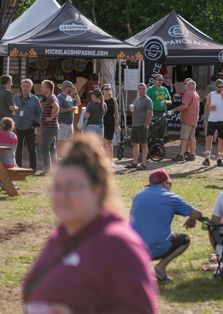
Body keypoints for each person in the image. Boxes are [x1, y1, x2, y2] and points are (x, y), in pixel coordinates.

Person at [22, 134, 157, 313]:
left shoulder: (119, 244)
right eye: (58, 188)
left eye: (72, 187)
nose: (62, 196)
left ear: (97, 192)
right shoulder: (60, 237)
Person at [130, 169, 203, 281]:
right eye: (170, 184)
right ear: (165, 183)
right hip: (154, 249)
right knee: (185, 239)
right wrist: (192, 218)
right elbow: (198, 214)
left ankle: (139, 267)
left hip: (132, 250)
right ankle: (161, 266)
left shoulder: (137, 196)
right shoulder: (170, 197)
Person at [14, 79, 41, 172]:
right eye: (24, 86)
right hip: (18, 127)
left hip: (30, 127)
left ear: (31, 88)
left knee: (32, 149)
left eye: (27, 86)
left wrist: (35, 124)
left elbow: (39, 113)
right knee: (18, 149)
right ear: (21, 86)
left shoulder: (35, 99)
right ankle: (18, 168)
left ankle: (33, 169)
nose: (25, 88)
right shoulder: (15, 98)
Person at [204, 79, 223, 167]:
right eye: (219, 87)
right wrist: (210, 108)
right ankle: (207, 158)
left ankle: (219, 158)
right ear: (215, 87)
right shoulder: (210, 95)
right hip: (212, 119)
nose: (221, 88)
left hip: (222, 120)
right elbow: (206, 107)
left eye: (222, 87)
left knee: (221, 139)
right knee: (209, 138)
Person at [126, 83, 153, 170]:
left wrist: (145, 124)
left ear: (146, 90)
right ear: (138, 90)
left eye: (143, 89)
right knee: (134, 144)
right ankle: (134, 162)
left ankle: (144, 164)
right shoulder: (136, 99)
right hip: (135, 125)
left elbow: (150, 114)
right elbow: (133, 110)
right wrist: (130, 109)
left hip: (142, 126)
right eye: (140, 88)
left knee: (144, 144)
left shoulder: (148, 100)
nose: (142, 90)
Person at [172, 80, 200, 162]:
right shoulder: (196, 94)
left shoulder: (188, 93)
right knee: (192, 137)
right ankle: (192, 154)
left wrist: (175, 110)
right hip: (194, 119)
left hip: (187, 119)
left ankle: (181, 155)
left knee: (184, 137)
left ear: (189, 86)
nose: (185, 86)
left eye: (186, 85)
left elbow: (184, 106)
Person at [56, 81, 81, 157]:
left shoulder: (69, 97)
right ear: (67, 88)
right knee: (61, 142)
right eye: (71, 88)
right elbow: (58, 109)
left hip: (70, 124)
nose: (72, 89)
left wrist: (76, 93)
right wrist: (69, 109)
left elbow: (78, 103)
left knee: (69, 143)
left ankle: (65, 158)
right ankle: (56, 159)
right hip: (62, 123)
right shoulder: (60, 97)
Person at [40, 80, 59, 176]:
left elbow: (56, 107)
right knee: (52, 149)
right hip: (51, 127)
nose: (41, 89)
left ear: (48, 89)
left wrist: (51, 117)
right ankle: (53, 170)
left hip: (50, 127)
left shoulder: (51, 98)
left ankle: (48, 170)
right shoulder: (51, 97)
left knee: (45, 148)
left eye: (42, 87)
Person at [146, 74, 171, 140]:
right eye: (159, 80)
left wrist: (167, 102)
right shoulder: (150, 89)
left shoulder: (165, 89)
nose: (160, 81)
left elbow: (170, 100)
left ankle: (159, 147)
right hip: (154, 113)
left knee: (161, 132)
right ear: (155, 80)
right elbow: (146, 101)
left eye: (162, 80)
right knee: (152, 131)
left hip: (163, 113)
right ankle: (151, 147)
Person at [102, 84, 120, 165]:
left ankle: (110, 161)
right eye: (105, 89)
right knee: (100, 142)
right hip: (101, 122)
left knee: (109, 142)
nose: (107, 90)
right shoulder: (100, 100)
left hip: (110, 122)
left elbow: (116, 113)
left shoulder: (113, 100)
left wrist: (117, 123)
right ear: (102, 91)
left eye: (108, 89)